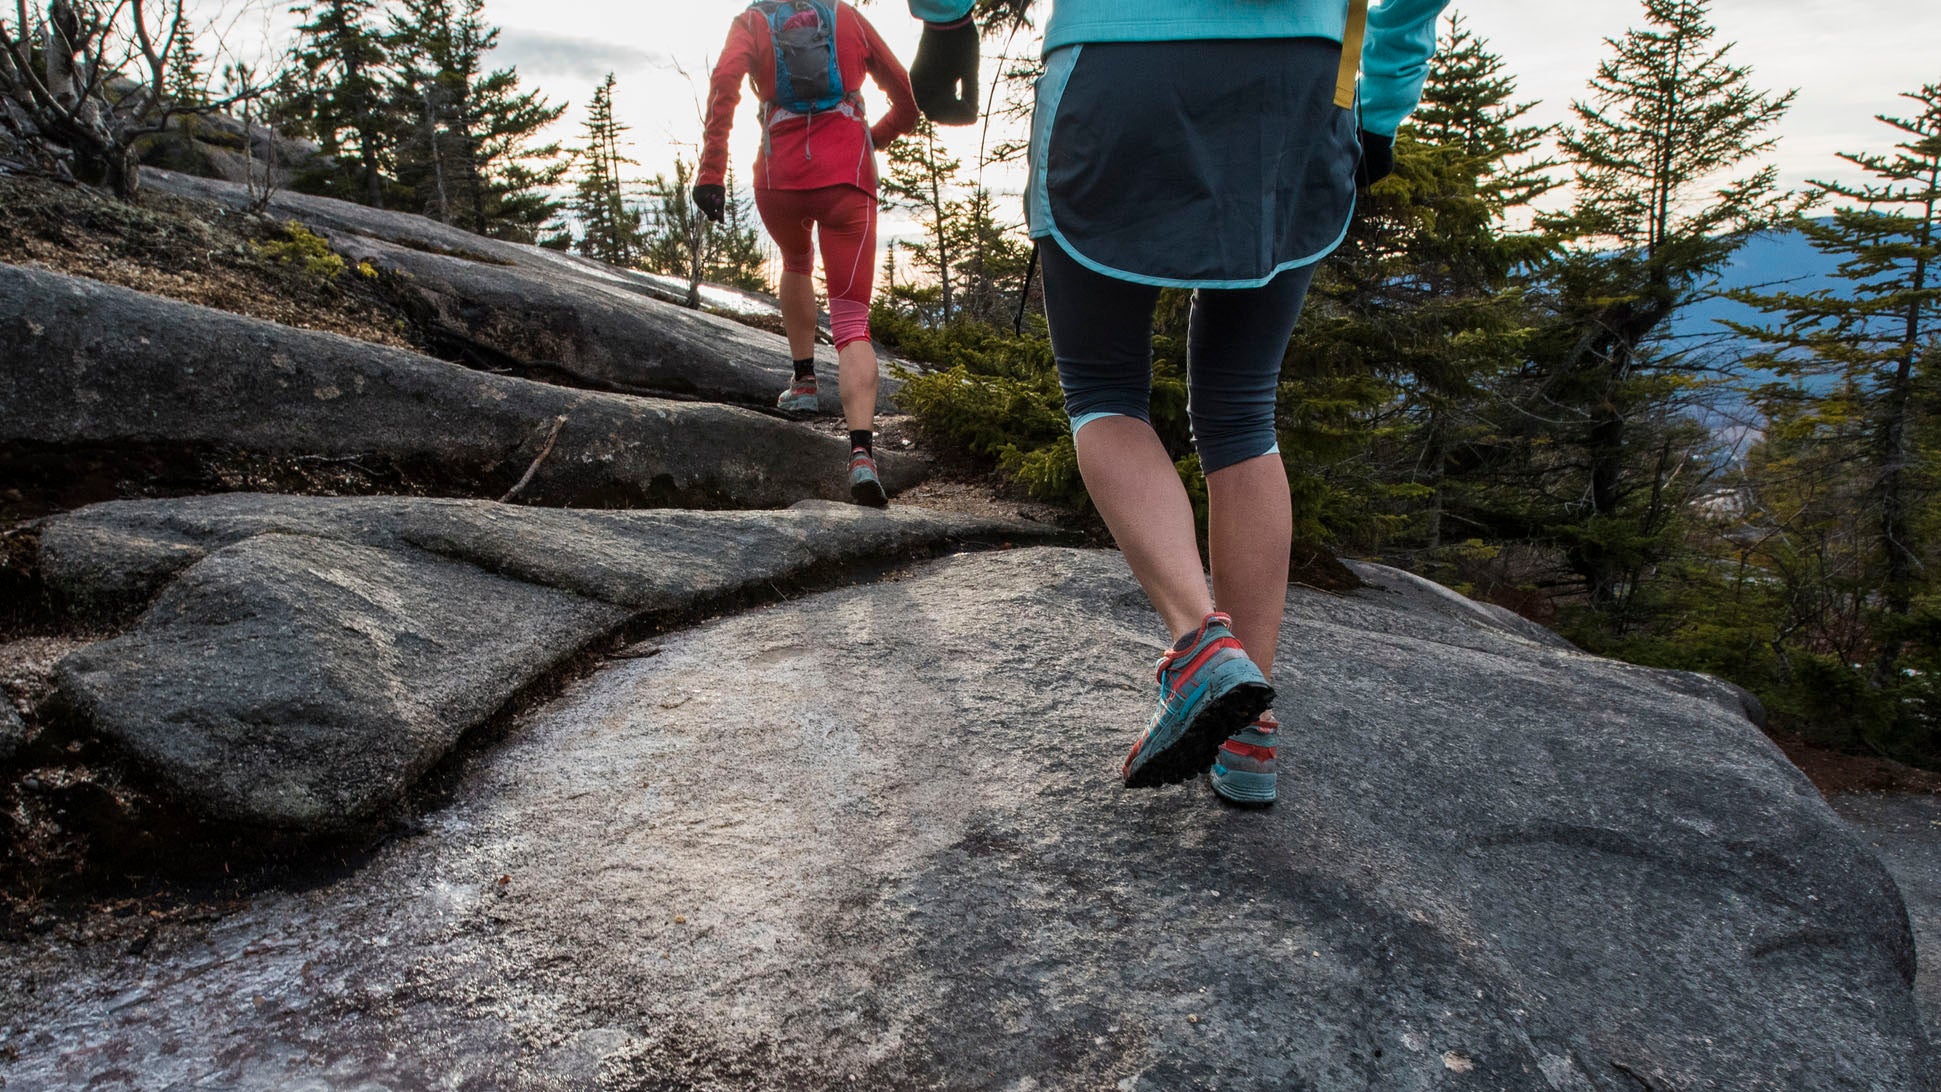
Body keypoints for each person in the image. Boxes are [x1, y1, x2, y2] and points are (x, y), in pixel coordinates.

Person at [900, 0, 1447, 804]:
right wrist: (1385, 102)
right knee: (1241, 407)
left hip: (1117, 67)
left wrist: (945, 19)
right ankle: (1249, 736)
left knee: (1102, 390)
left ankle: (1202, 649)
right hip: (1300, 79)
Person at [696, 0, 920, 506]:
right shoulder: (846, 17)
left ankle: (802, 382)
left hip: (780, 181)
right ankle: (861, 456)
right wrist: (871, 138)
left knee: (797, 262)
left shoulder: (752, 21)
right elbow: (908, 95)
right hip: (848, 180)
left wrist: (712, 171)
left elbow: (724, 87)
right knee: (851, 322)